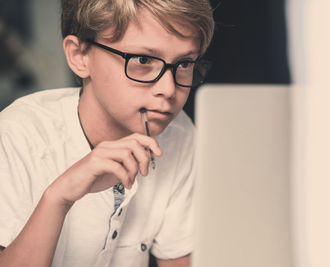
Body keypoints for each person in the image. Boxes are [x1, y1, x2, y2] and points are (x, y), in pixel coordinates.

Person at [0, 0, 214, 266]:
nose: (169, 89)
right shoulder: (17, 135)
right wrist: (57, 198)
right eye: (143, 60)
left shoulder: (179, 135)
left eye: (184, 64)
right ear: (79, 56)